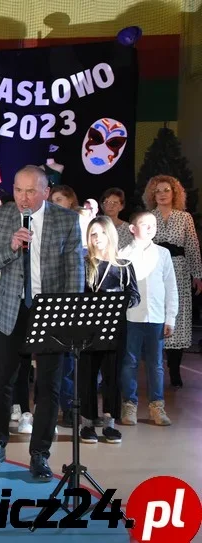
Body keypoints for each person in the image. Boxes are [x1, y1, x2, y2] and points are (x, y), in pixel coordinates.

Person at [0, 165, 84, 480]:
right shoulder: (1, 217)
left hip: (50, 309)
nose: (23, 198)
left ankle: (40, 453)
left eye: (30, 191)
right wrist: (11, 247)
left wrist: (68, 315)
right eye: (18, 190)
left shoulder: (66, 220)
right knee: (1, 382)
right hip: (12, 309)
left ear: (46, 192)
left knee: (48, 386)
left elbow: (75, 271)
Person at [79, 216, 139, 444]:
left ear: (111, 235)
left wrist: (119, 302)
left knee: (112, 376)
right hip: (87, 330)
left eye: (102, 232)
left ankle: (109, 423)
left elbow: (134, 295)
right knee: (87, 375)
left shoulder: (124, 266)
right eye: (93, 234)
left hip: (115, 328)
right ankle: (87, 423)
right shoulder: (84, 264)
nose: (97, 238)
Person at [119, 212, 178, 426]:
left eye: (153, 224)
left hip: (156, 318)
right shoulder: (123, 254)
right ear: (132, 228)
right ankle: (129, 404)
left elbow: (170, 286)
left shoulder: (163, 253)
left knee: (156, 364)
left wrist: (170, 318)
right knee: (130, 362)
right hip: (131, 317)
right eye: (145, 224)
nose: (151, 228)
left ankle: (157, 406)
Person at [145, 175, 202, 388]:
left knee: (178, 317)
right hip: (154, 270)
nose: (162, 194)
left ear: (174, 193)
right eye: (157, 191)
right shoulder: (148, 217)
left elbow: (193, 247)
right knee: (156, 316)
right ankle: (156, 369)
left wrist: (197, 275)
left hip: (179, 270)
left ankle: (175, 370)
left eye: (166, 190)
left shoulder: (184, 217)